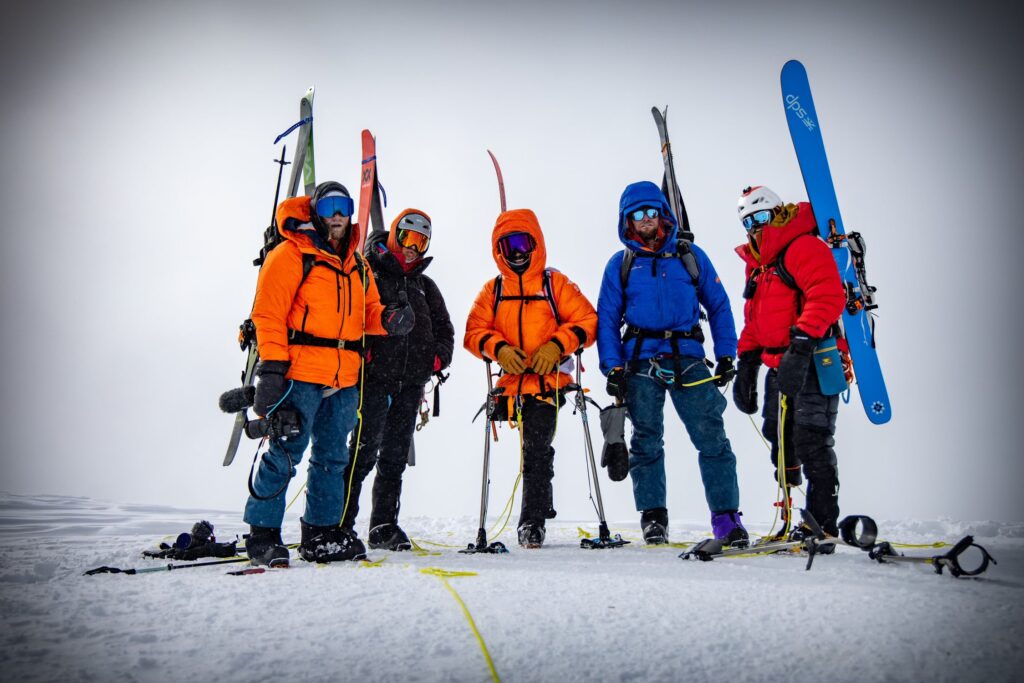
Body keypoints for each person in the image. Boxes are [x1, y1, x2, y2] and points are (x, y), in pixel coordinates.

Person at [243, 181, 415, 566]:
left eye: (345, 206)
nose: (338, 214)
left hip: (344, 376)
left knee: (332, 458)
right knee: (285, 452)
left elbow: (367, 313)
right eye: (329, 206)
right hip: (299, 371)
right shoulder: (290, 255)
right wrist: (271, 370)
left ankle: (320, 533)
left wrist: (389, 320)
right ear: (315, 212)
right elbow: (268, 315)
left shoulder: (357, 265)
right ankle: (262, 534)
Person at [596, 181, 748, 546]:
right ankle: (653, 518)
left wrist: (727, 353)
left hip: (689, 357)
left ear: (663, 213)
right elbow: (606, 319)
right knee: (646, 441)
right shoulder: (621, 264)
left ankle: (727, 518)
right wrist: (612, 368)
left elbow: (719, 304)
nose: (646, 220)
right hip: (640, 361)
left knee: (712, 438)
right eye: (638, 214)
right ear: (627, 221)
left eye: (652, 212)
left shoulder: (690, 256)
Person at [464, 209, 597, 548]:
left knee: (536, 449)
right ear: (499, 251)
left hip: (547, 384)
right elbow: (473, 332)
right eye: (509, 246)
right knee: (534, 450)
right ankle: (535, 512)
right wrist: (499, 349)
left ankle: (532, 522)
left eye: (524, 242)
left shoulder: (555, 284)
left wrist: (556, 346)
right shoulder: (493, 290)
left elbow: (586, 321)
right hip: (509, 385)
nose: (518, 252)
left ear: (536, 243)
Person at [731, 186, 846, 538]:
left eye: (762, 217)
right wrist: (747, 363)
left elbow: (827, 294)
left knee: (812, 439)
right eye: (748, 221)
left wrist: (801, 342)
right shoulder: (759, 267)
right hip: (778, 364)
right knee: (778, 438)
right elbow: (756, 320)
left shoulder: (803, 246)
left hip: (812, 358)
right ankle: (788, 507)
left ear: (778, 213)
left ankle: (821, 523)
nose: (756, 227)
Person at [340, 209, 455, 551]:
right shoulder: (370, 273)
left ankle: (384, 527)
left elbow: (445, 330)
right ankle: (340, 523)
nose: (411, 248)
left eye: (420, 242)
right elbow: (353, 316)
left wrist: (435, 359)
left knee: (393, 459)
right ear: (394, 235)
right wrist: (369, 358)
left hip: (411, 386)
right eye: (407, 238)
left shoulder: (425, 286)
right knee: (362, 454)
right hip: (375, 382)